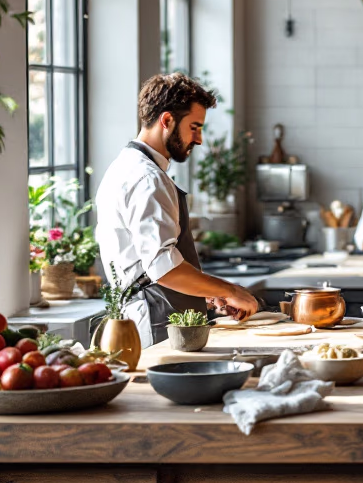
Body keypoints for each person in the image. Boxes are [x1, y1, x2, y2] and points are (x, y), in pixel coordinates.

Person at [95, 74, 259, 346]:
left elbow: (145, 263)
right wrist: (229, 290)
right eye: (194, 127)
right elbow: (163, 269)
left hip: (148, 311)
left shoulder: (125, 166)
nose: (199, 139)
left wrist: (208, 291)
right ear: (167, 120)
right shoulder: (147, 178)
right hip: (155, 318)